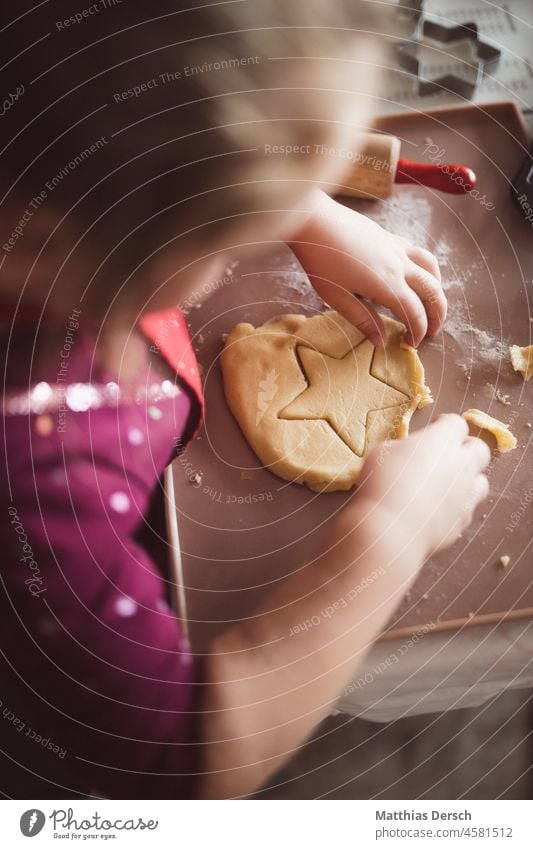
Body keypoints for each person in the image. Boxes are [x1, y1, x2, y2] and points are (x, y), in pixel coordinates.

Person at [0, 0, 490, 799]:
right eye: (242, 232)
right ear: (99, 239)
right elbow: (175, 767)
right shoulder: (39, 474)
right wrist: (388, 534)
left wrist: (296, 203)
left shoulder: (47, 178)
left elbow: (127, 117)